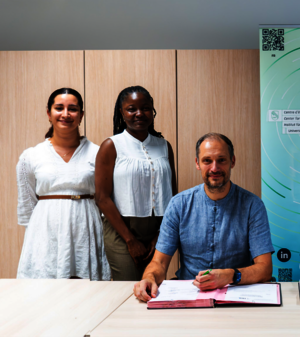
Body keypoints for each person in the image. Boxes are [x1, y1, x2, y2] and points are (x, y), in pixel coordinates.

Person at [134, 133, 273, 302]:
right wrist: (149, 277)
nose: (214, 168)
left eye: (221, 160)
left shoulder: (253, 205)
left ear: (232, 161)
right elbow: (159, 263)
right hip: (189, 295)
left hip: (236, 295)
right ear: (197, 163)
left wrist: (230, 275)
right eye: (207, 161)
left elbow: (265, 269)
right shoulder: (179, 204)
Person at [16, 88, 110, 280]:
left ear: (81, 115)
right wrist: (38, 238)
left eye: (72, 109)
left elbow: (106, 199)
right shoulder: (31, 156)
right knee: (44, 290)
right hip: (45, 233)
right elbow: (27, 207)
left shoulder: (98, 153)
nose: (65, 114)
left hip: (86, 231)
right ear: (49, 113)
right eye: (59, 108)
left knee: (88, 291)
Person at [95, 86, 177, 281]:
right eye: (131, 109)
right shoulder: (111, 145)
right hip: (121, 230)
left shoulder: (164, 146)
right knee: (129, 286)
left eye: (145, 108)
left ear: (152, 111)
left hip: (158, 230)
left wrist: (161, 235)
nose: (139, 113)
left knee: (155, 285)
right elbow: (102, 197)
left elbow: (173, 195)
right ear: (122, 113)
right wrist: (130, 240)